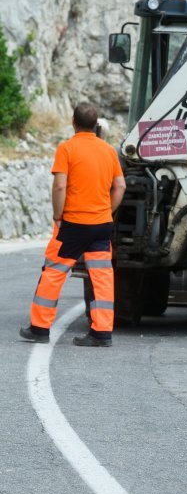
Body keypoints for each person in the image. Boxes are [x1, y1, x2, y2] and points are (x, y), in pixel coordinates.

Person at [19, 103, 126, 347]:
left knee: (53, 274)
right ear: (96, 125)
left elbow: (59, 186)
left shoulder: (67, 149)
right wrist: (106, 211)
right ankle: (101, 333)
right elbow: (120, 186)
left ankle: (39, 328)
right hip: (101, 225)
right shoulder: (109, 151)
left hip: (72, 225)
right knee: (101, 278)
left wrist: (58, 215)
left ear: (73, 123)